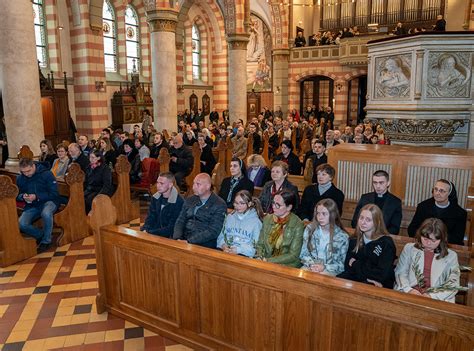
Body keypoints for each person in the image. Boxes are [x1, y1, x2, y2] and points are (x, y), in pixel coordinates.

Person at [395, 218, 461, 303]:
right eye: (425, 239)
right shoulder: (409, 248)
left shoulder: (451, 256)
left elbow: (452, 284)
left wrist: (431, 296)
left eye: (433, 240)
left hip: (437, 297)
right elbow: (400, 272)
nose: (428, 243)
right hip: (409, 292)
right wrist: (409, 290)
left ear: (442, 239)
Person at [337, 204, 396, 288]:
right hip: (358, 279)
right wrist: (366, 271)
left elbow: (381, 274)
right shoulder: (354, 240)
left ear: (376, 222)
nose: (363, 222)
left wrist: (355, 263)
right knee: (337, 281)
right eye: (361, 218)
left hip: (380, 284)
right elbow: (348, 267)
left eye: (368, 220)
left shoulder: (386, 243)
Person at [17, 158, 61, 253]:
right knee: (22, 224)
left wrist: (37, 197)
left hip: (50, 201)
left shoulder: (46, 174)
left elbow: (54, 193)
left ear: (33, 166)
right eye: (23, 172)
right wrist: (22, 196)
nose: (26, 174)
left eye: (28, 171)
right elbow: (17, 194)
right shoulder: (20, 178)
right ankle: (41, 235)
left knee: (46, 213)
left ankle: (46, 241)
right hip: (32, 205)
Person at [173, 173, 227, 248]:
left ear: (208, 186)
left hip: (203, 244)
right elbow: (180, 220)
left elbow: (213, 231)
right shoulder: (190, 200)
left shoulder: (219, 204)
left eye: (198, 184)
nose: (194, 187)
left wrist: (189, 241)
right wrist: (177, 238)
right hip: (183, 240)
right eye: (194, 184)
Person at [408, 179, 467, 245]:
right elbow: (412, 229)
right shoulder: (423, 207)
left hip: (446, 247)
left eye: (442, 191)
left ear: (449, 193)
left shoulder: (460, 213)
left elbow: (457, 238)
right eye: (435, 189)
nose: (437, 193)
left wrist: (436, 241)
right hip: (423, 244)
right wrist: (426, 239)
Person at [300, 199, 349, 276]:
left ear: (333, 214)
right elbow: (303, 254)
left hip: (329, 270)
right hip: (310, 266)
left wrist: (324, 267)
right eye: (318, 214)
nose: (320, 217)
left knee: (322, 277)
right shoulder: (310, 229)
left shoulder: (342, 237)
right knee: (302, 276)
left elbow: (341, 265)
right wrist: (312, 265)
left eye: (324, 214)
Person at [255, 190, 304, 267]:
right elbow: (260, 244)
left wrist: (268, 261)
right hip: (265, 260)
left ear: (289, 207)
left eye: (278, 205)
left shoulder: (297, 224)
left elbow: (293, 255)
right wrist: (259, 256)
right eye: (273, 203)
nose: (274, 207)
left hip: (287, 265)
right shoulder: (268, 218)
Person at [351, 170, 402, 235]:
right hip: (363, 235)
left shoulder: (395, 202)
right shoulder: (365, 198)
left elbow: (395, 228)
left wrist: (378, 235)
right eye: (375, 182)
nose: (377, 186)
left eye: (381, 183)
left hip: (383, 237)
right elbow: (355, 221)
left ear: (388, 183)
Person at [217, 190, 264, 257]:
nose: (238, 206)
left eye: (242, 203)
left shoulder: (256, 222)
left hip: (243, 254)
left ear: (249, 204)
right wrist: (223, 245)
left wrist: (238, 250)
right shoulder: (229, 218)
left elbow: (256, 247)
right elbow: (221, 237)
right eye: (236, 203)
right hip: (226, 251)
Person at [141, 172, 184, 238]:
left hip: (170, 236)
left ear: (170, 185)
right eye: (157, 182)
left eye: (161, 183)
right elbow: (151, 217)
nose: (158, 185)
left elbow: (172, 227)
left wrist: (151, 233)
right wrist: (146, 229)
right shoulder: (155, 198)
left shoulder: (179, 202)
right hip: (154, 232)